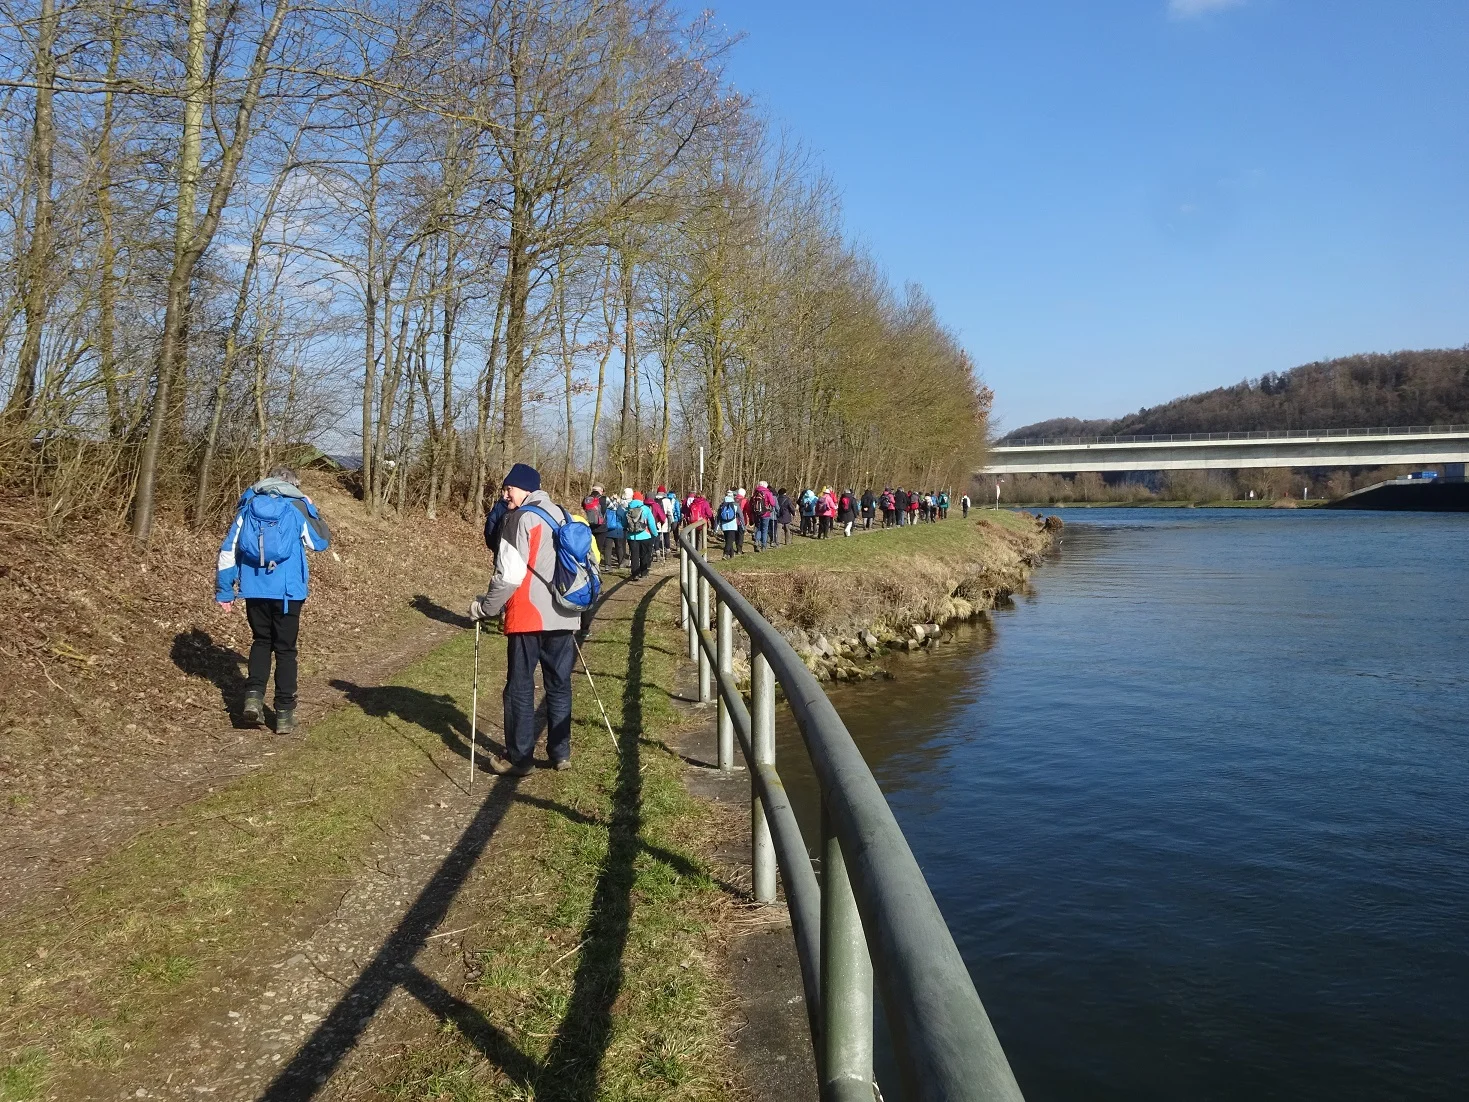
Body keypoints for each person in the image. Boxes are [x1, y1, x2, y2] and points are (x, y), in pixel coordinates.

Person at [468, 462, 580, 775]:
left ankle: (520, 757)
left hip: (528, 615)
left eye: (509, 488)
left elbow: (508, 575)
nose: (505, 495)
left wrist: (485, 608)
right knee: (559, 685)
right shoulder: (563, 514)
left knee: (519, 687)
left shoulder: (518, 518)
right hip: (564, 613)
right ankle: (560, 753)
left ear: (526, 489)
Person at [216, 467, 332, 735]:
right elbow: (321, 542)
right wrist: (312, 510)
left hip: (254, 589)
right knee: (286, 650)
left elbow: (228, 550)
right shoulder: (297, 506)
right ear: (293, 485)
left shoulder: (248, 506)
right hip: (288, 592)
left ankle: (254, 699)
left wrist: (225, 591)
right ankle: (283, 714)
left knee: (260, 642)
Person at [624, 491, 657, 579]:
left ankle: (635, 574)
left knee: (634, 555)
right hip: (645, 535)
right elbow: (651, 523)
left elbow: (624, 523)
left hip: (632, 536)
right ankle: (644, 572)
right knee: (644, 554)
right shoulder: (646, 509)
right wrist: (655, 533)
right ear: (641, 499)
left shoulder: (628, 509)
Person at [582, 485, 608, 560]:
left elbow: (583, 509)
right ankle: (596, 563)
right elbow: (613, 507)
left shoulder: (586, 499)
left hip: (589, 526)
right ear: (600, 490)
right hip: (601, 527)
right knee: (598, 548)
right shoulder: (604, 499)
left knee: (589, 546)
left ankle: (588, 561)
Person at [603, 490, 626, 569]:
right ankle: (621, 563)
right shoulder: (619, 508)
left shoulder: (607, 508)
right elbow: (622, 516)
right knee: (619, 546)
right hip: (618, 529)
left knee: (607, 548)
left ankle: (607, 565)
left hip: (608, 529)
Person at [717, 491, 742, 558]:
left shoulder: (722, 505)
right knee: (730, 540)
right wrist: (743, 525)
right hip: (732, 525)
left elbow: (718, 517)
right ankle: (725, 553)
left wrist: (716, 527)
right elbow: (740, 515)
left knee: (728, 540)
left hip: (724, 525)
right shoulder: (735, 504)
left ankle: (732, 554)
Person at [748, 481, 770, 551]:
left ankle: (757, 542)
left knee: (758, 528)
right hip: (765, 514)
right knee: (765, 529)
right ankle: (763, 546)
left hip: (757, 514)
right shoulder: (767, 492)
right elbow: (773, 503)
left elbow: (751, 503)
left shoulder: (755, 493)